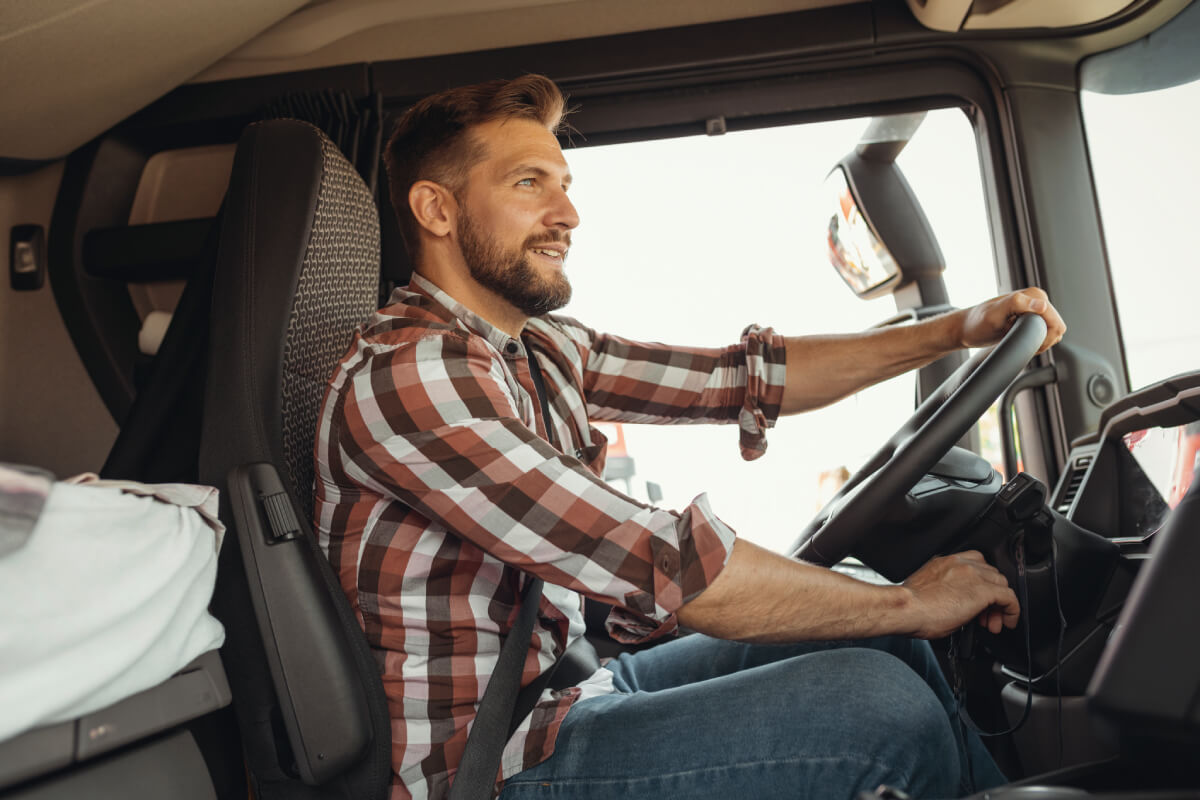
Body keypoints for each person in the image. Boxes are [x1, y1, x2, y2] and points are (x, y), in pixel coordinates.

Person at [314, 74, 1067, 800]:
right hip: (488, 762)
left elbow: (742, 379)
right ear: (437, 211)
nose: (568, 214)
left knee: (885, 642)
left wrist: (956, 331)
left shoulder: (538, 350)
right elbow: (656, 559)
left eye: (565, 185)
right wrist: (912, 601)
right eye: (528, 183)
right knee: (879, 711)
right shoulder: (412, 375)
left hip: (568, 687)